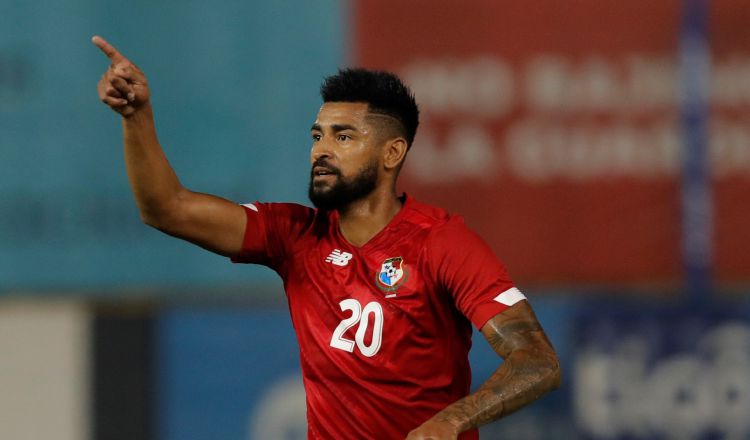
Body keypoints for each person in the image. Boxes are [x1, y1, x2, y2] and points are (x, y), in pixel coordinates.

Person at [92, 35, 560, 440]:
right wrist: (136, 117)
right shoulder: (294, 236)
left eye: (343, 137)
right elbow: (166, 208)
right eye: (317, 135)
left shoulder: (442, 245)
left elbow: (537, 361)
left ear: (392, 152)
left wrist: (452, 420)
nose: (320, 150)